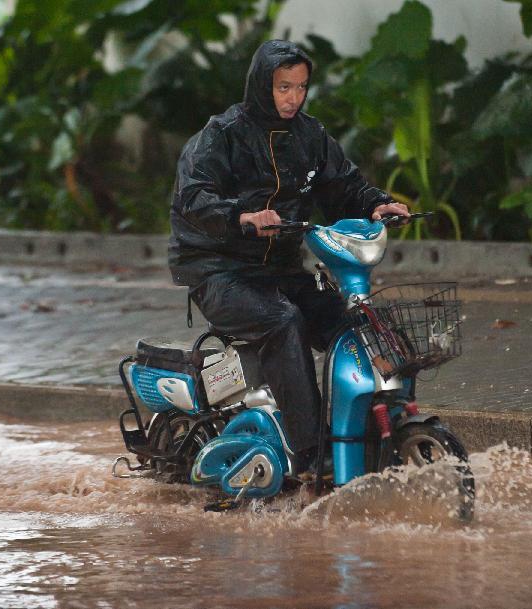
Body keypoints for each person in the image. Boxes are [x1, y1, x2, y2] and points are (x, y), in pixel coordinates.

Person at [168, 40, 409, 473]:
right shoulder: (221, 135)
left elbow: (344, 184)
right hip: (219, 273)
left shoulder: (310, 135)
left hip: (279, 271)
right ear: (263, 84)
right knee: (284, 322)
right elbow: (193, 197)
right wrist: (242, 216)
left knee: (351, 323)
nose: (293, 97)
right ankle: (312, 454)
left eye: (300, 87)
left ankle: (368, 436)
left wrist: (376, 203)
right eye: (283, 87)